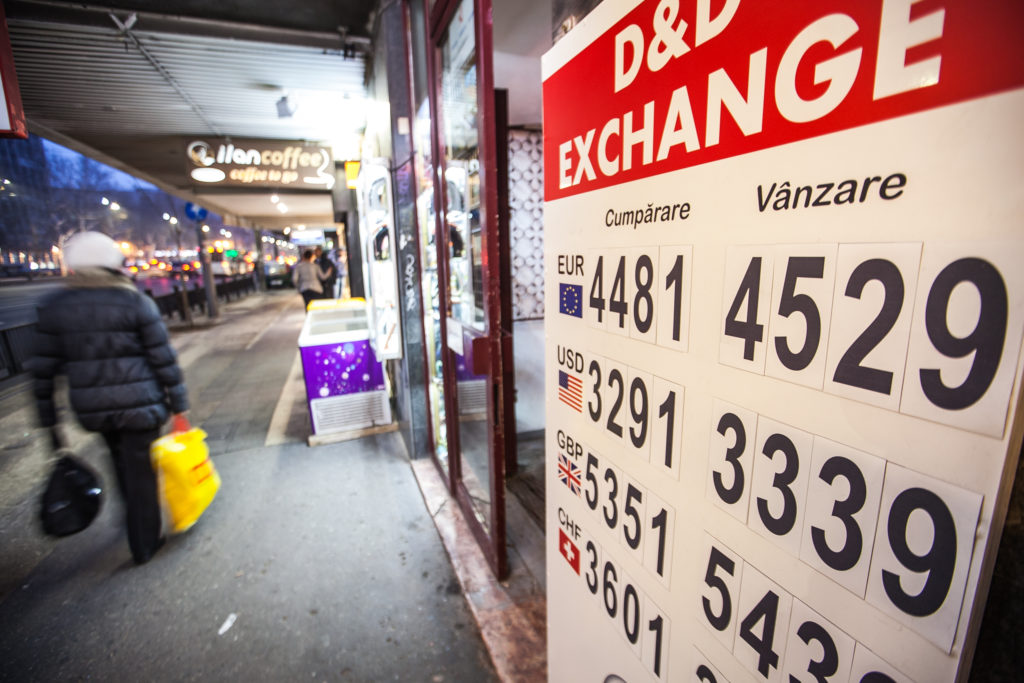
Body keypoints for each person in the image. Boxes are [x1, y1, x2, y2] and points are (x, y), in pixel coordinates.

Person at [32, 231, 191, 564]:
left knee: (119, 459)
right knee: (141, 471)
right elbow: (163, 359)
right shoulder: (134, 301)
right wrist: (179, 406)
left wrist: (51, 424)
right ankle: (145, 541)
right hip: (141, 404)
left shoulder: (54, 307)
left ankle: (130, 517)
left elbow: (43, 371)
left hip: (93, 409)